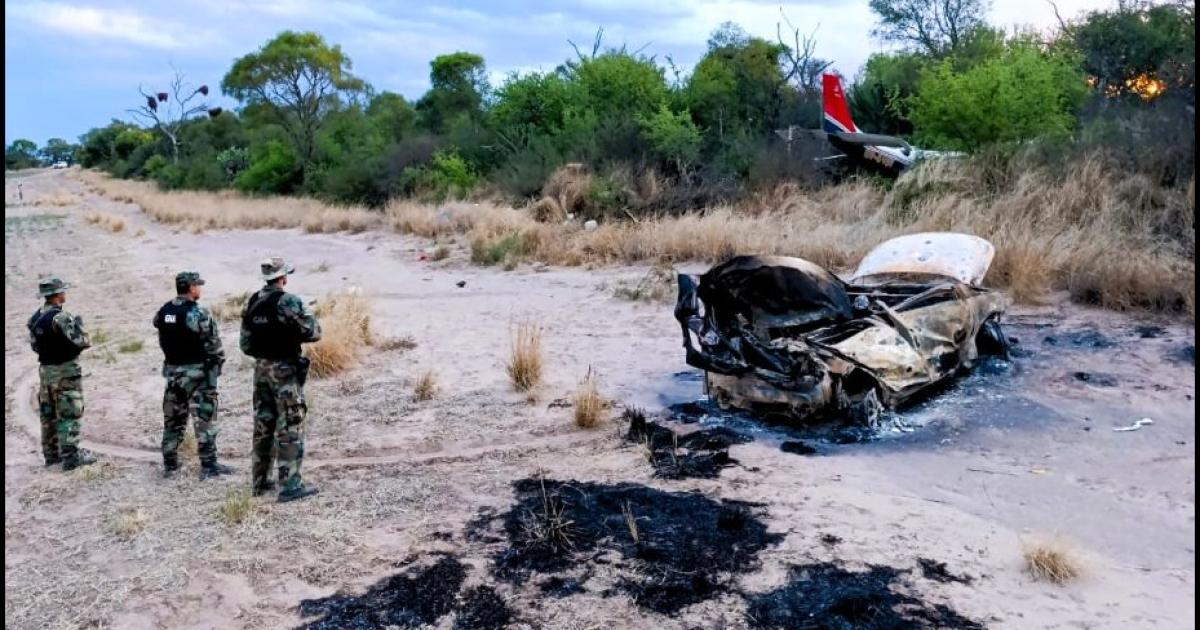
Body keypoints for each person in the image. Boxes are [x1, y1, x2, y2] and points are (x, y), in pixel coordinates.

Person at [239, 257, 322, 502]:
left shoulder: (252, 301)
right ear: (283, 278)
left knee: (263, 424)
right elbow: (314, 332)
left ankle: (260, 481)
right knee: (290, 424)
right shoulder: (289, 302)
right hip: (284, 371)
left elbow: (245, 345)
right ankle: (290, 485)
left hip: (261, 371)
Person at [153, 271, 232, 479]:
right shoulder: (198, 313)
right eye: (198, 285)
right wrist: (216, 366)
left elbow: (159, 326)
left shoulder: (164, 311)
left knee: (173, 420)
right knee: (204, 419)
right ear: (191, 287)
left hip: (173, 375)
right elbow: (214, 347)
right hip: (198, 375)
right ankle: (209, 465)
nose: (200, 288)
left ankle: (170, 464)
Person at [27, 277, 95, 470]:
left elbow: (35, 346)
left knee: (48, 414)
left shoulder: (34, 318)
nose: (65, 293)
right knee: (69, 413)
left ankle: (51, 455)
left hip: (46, 373)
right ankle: (71, 457)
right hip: (65, 372)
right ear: (57, 295)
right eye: (63, 291)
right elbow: (82, 341)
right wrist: (80, 326)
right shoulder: (61, 318)